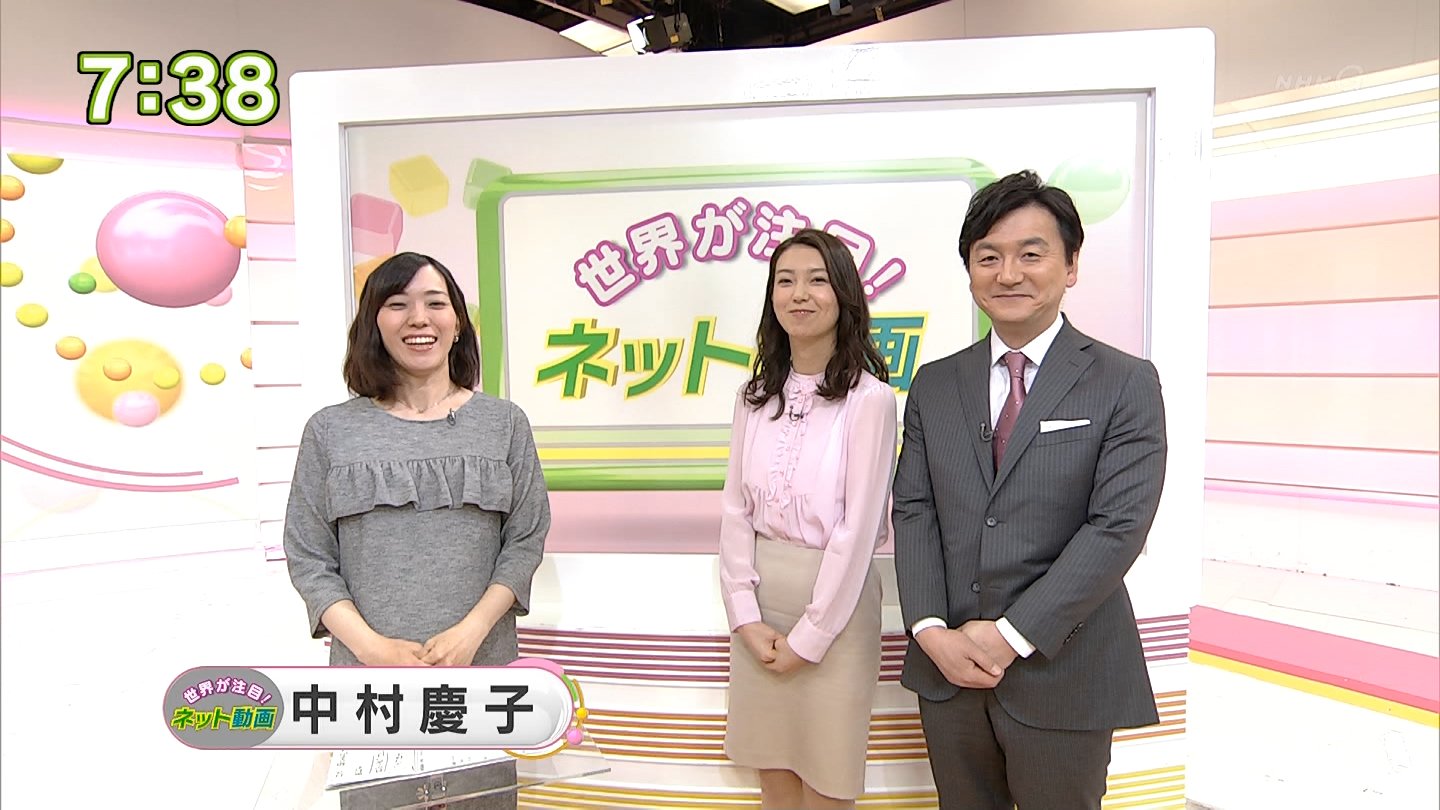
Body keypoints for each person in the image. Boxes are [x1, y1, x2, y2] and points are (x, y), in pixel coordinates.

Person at [892, 171, 1168, 809]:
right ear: (970, 270)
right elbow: (914, 509)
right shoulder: (935, 383)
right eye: (988, 256)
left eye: (1031, 254)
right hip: (948, 668)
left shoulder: (1124, 381)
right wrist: (930, 629)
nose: (1008, 273)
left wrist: (1010, 634)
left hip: (1063, 667)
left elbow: (1118, 526)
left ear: (1070, 266)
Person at [283, 251, 550, 809]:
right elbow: (309, 556)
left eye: (435, 303)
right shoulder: (330, 431)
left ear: (458, 323)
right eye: (398, 304)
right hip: (371, 686)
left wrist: (471, 632)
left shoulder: (504, 423)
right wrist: (372, 649)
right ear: (374, 323)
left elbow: (525, 539)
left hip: (480, 674)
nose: (419, 319)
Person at [719, 229, 898, 810]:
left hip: (835, 609)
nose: (799, 294)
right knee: (772, 773)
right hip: (760, 608)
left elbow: (859, 530)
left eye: (817, 280)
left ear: (844, 294)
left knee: (827, 780)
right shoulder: (753, 395)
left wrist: (812, 635)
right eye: (785, 281)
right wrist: (744, 616)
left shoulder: (870, 399)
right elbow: (735, 511)